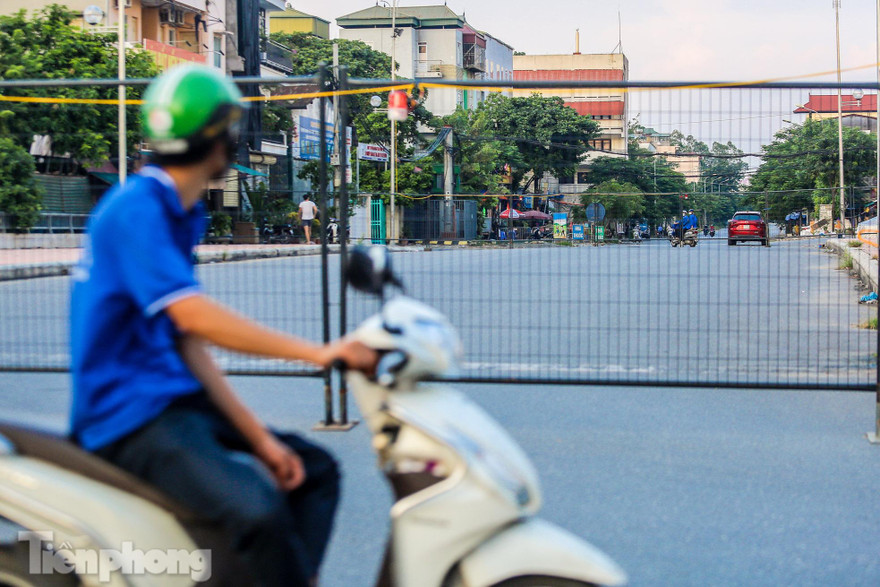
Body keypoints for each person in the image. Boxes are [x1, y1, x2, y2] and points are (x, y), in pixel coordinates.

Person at [70, 65, 377, 587]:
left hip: (174, 401)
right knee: (256, 511)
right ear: (219, 138)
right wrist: (320, 354)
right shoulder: (137, 209)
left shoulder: (178, 211)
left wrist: (260, 440)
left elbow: (187, 344)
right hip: (127, 417)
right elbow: (193, 317)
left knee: (313, 472)